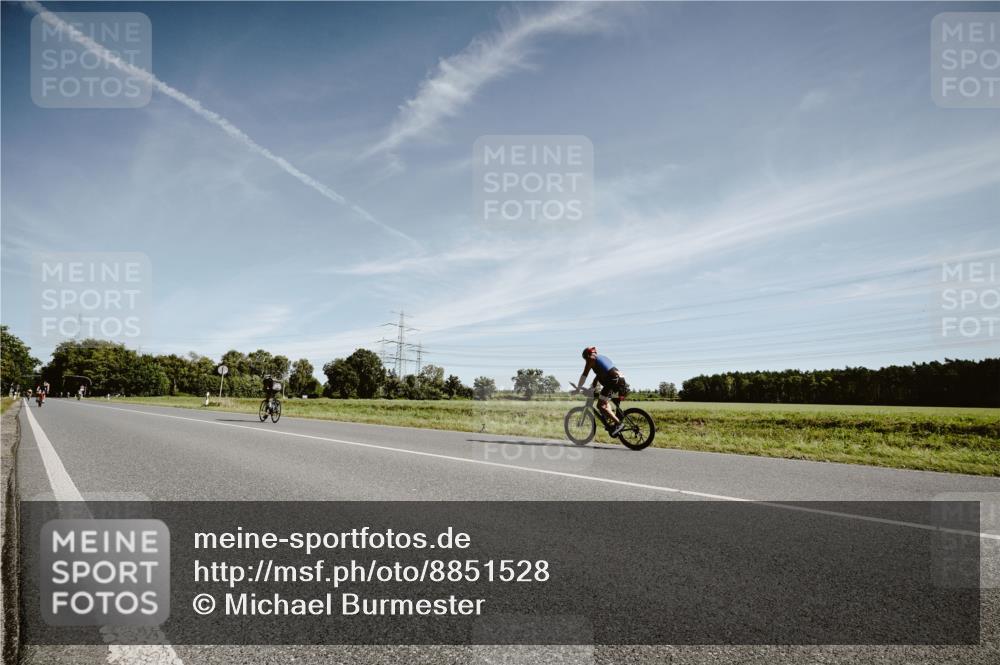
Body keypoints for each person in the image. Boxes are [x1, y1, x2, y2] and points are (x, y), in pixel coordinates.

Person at [575, 347, 630, 437]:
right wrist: (593, 386)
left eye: (585, 359)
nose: (586, 361)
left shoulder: (591, 359)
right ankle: (613, 422)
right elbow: (599, 375)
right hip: (620, 380)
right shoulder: (601, 358)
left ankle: (619, 424)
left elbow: (585, 374)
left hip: (612, 381)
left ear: (587, 356)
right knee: (605, 401)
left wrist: (578, 387)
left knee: (600, 405)